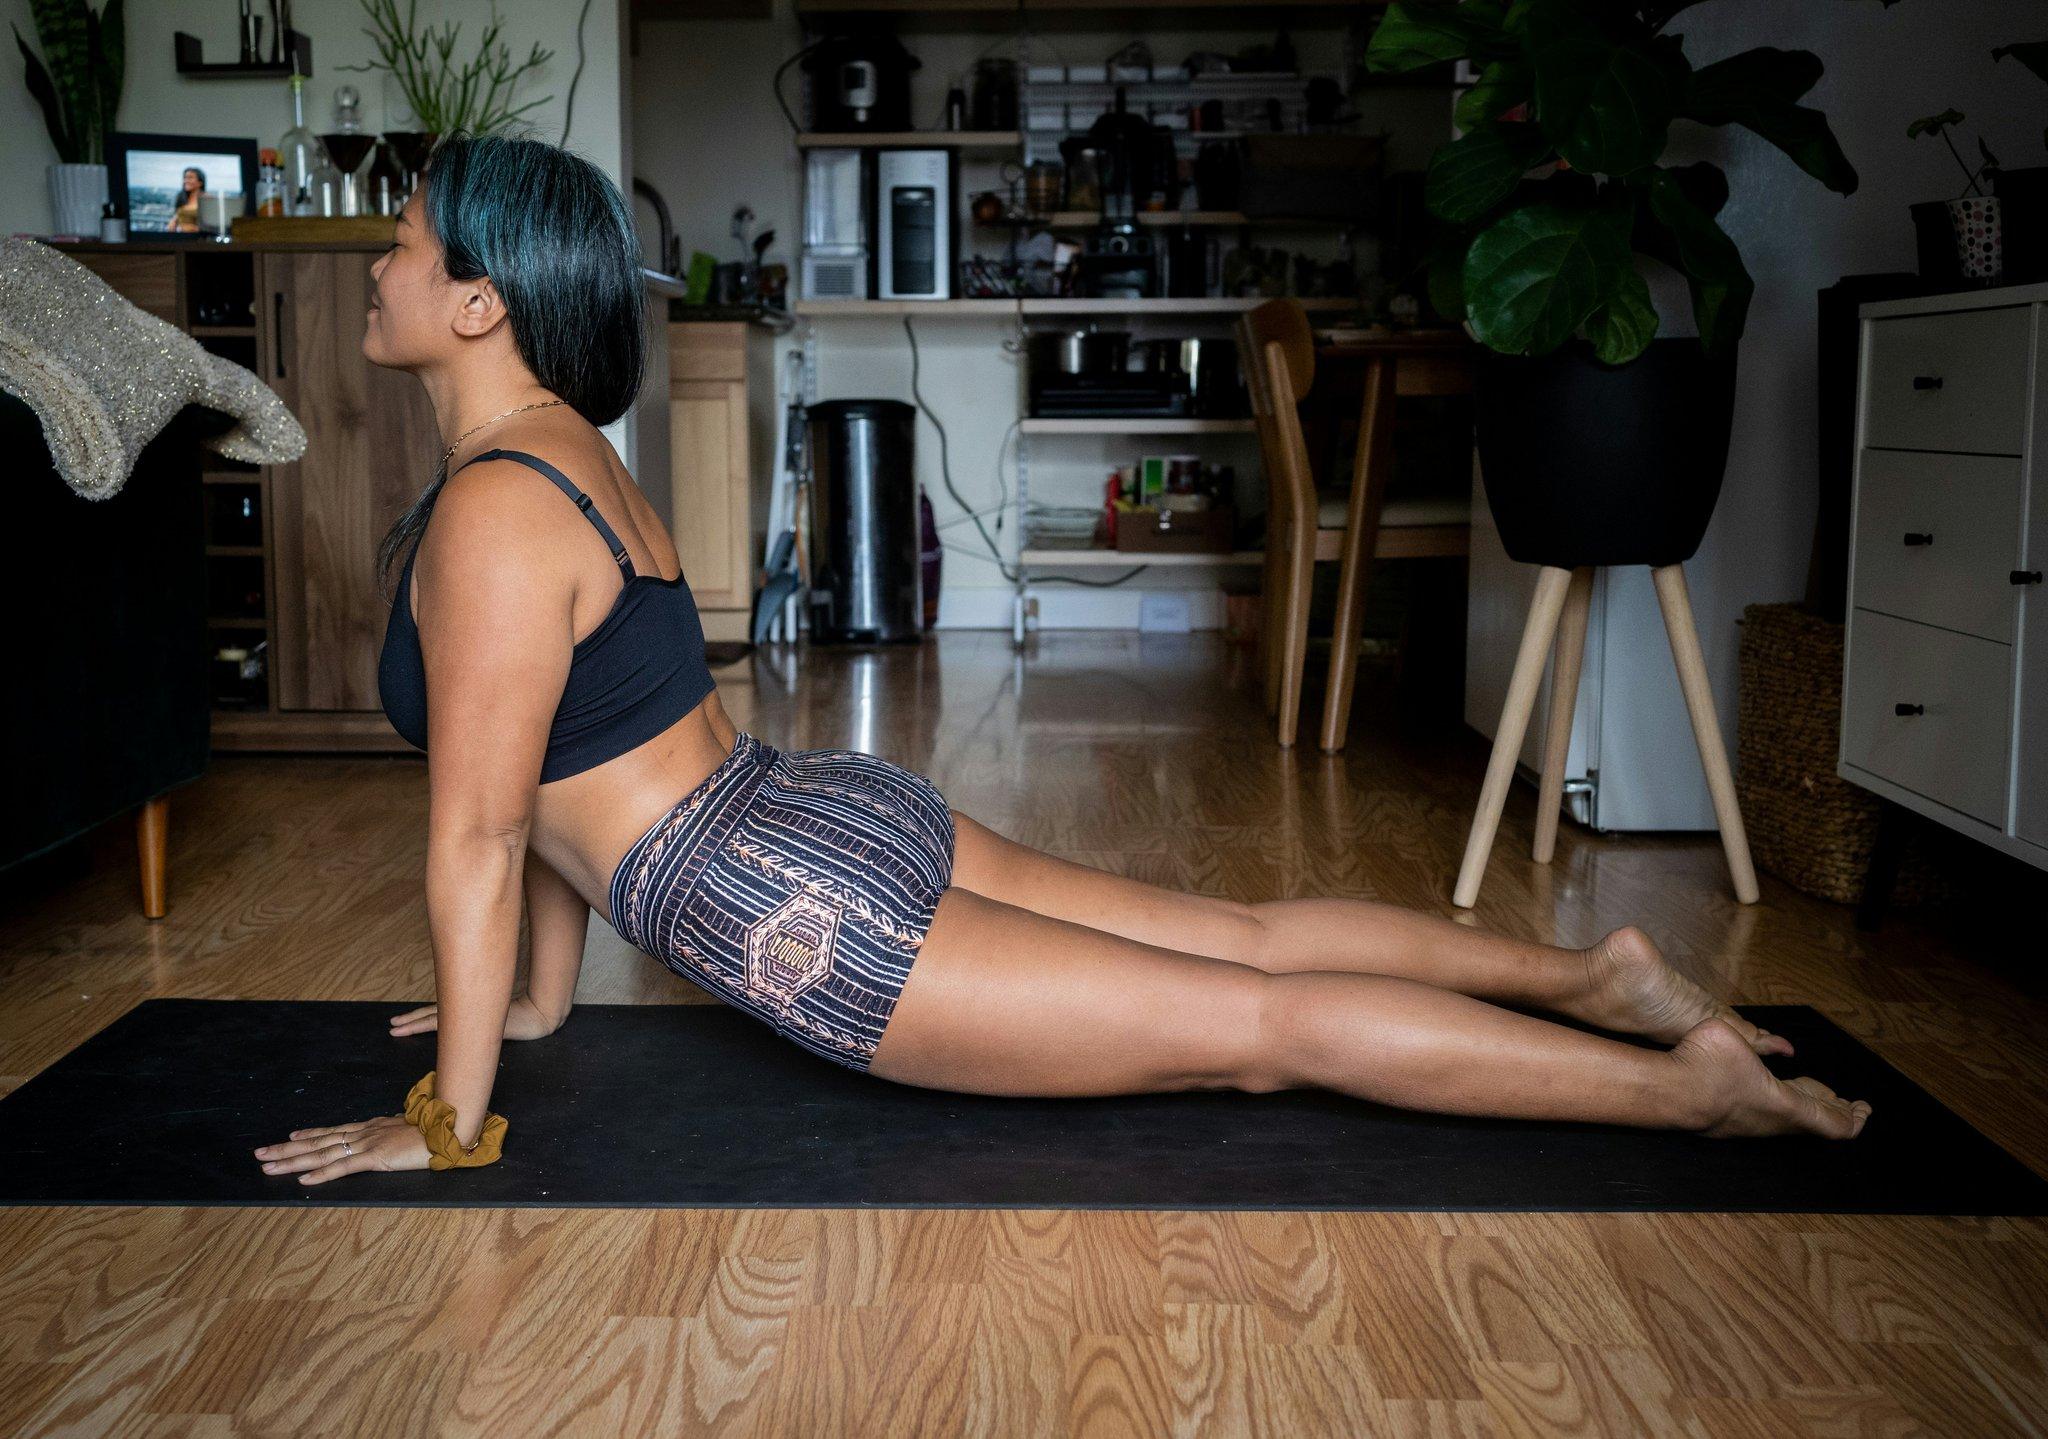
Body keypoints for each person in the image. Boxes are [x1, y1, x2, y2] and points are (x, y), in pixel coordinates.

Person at [250, 134, 1869, 1188]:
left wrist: (454, 1119)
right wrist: (535, 1006)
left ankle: (1688, 1092)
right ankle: (1598, 978)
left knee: (1254, 1028)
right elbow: (548, 774)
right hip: (811, 806)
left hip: (787, 898)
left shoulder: (489, 514)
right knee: (1240, 942)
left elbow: (477, 830)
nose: (376, 267)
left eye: (398, 244)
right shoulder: (573, 462)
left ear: (478, 303)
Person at [170, 167, 205, 233]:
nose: (186, 181)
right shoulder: (181, 197)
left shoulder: (206, 200)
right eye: (185, 178)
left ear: (200, 182)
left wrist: (192, 228)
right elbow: (178, 216)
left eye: (190, 178)